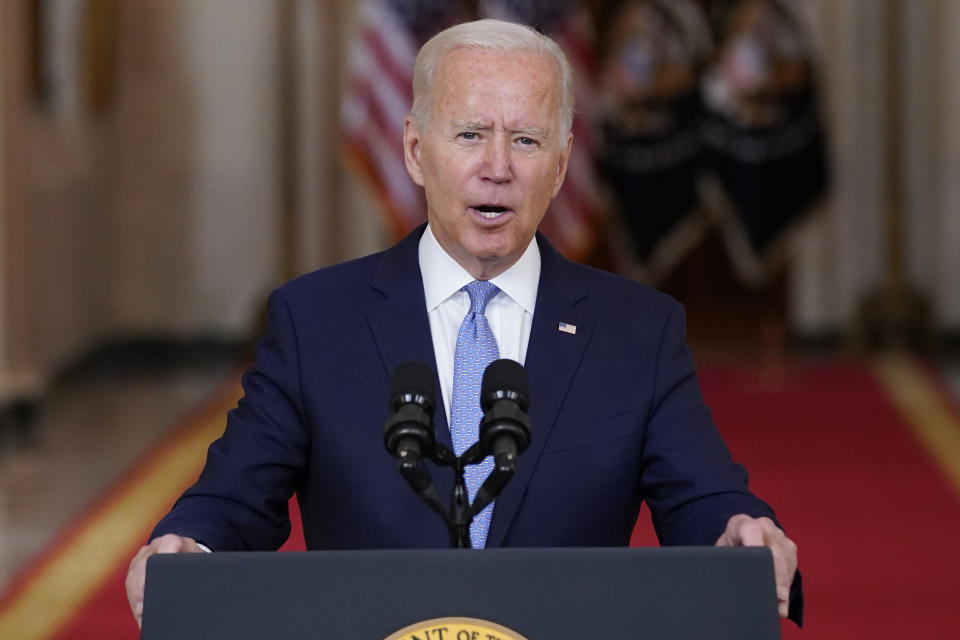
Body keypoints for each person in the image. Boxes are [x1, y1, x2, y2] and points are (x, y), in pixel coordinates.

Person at [126, 18, 800, 628]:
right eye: (471, 134)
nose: (497, 168)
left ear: (562, 164)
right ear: (417, 151)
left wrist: (742, 533)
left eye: (527, 140)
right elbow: (235, 498)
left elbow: (707, 501)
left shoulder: (636, 331)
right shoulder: (316, 322)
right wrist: (189, 543)